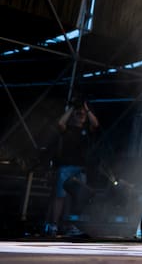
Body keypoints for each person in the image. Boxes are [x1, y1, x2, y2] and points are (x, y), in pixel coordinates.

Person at [48, 94, 99, 236]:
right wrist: (72, 108)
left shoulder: (87, 130)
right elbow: (60, 123)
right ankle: (54, 225)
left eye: (82, 113)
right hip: (66, 167)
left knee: (76, 199)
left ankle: (69, 225)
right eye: (79, 113)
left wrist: (86, 109)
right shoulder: (67, 129)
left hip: (81, 168)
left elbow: (95, 124)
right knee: (60, 196)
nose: (81, 115)